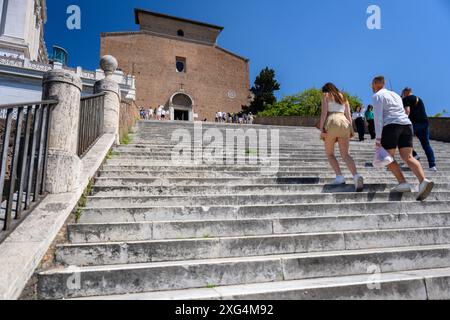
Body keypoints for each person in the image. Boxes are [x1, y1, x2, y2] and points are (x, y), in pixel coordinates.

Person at [371, 76, 434, 201]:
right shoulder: (395, 95)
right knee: (408, 156)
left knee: (387, 157)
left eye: (371, 86)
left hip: (391, 126)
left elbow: (378, 118)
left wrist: (378, 138)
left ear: (375, 84)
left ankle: (402, 182)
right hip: (406, 125)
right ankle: (423, 181)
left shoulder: (377, 95)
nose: (371, 88)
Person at [319, 82, 364, 191]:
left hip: (332, 121)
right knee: (345, 154)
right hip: (344, 123)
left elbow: (324, 113)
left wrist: (321, 129)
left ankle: (339, 176)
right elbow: (348, 114)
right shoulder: (343, 96)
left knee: (330, 154)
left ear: (326, 90)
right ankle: (356, 176)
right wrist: (351, 129)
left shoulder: (326, 95)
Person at [401, 87, 437, 172]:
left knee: (402, 139)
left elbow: (407, 111)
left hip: (415, 124)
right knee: (426, 145)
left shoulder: (406, 99)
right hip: (425, 123)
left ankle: (414, 155)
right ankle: (432, 165)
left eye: (403, 92)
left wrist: (403, 121)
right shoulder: (419, 99)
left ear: (406, 92)